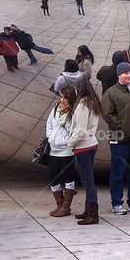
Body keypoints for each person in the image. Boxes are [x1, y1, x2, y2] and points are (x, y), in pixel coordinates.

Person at [102, 62, 130, 215]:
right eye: (125, 73)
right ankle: (116, 202)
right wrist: (121, 126)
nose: (128, 75)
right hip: (118, 138)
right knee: (118, 172)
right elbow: (107, 114)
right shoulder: (111, 93)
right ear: (119, 75)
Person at [70, 79, 103, 226]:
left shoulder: (83, 105)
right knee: (87, 180)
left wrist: (69, 142)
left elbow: (81, 131)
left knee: (88, 181)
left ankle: (93, 214)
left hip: (83, 147)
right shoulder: (93, 102)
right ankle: (88, 210)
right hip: (91, 145)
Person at [45, 86, 79, 218]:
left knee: (68, 178)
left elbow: (75, 131)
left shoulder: (73, 113)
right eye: (61, 97)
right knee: (53, 178)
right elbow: (48, 125)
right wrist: (50, 137)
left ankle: (66, 207)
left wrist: (66, 142)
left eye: (65, 98)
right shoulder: (55, 110)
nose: (62, 100)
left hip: (66, 150)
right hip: (53, 150)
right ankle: (59, 205)